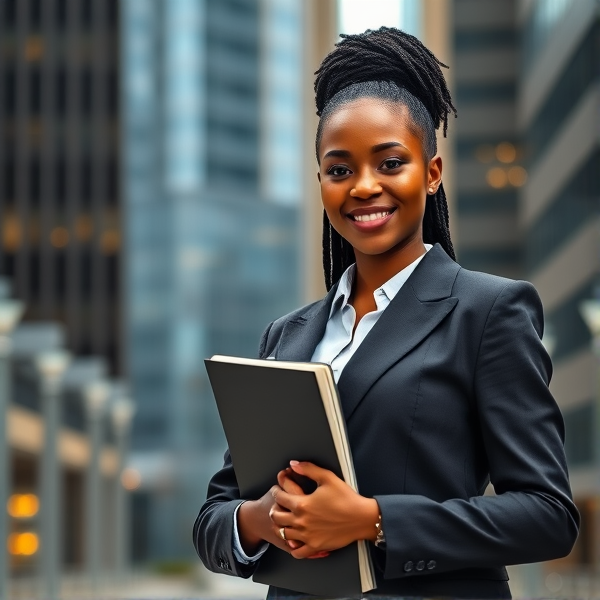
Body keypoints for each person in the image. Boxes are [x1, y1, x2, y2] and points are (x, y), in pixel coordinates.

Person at [193, 27, 579, 599]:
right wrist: (262, 517)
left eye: (390, 162)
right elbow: (214, 518)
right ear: (321, 181)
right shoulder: (288, 335)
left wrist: (373, 519)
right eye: (340, 169)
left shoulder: (488, 312)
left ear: (432, 172)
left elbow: (548, 515)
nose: (364, 187)